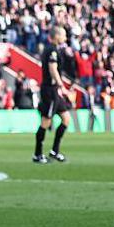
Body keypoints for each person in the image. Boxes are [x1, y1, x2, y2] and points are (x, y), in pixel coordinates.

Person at [34, 27, 73, 164]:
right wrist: (62, 86)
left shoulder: (54, 49)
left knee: (66, 118)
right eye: (63, 35)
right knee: (46, 121)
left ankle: (54, 151)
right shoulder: (51, 50)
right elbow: (52, 69)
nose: (65, 38)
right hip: (49, 91)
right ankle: (37, 154)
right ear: (56, 36)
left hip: (54, 90)